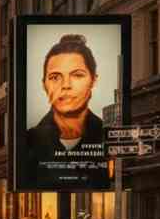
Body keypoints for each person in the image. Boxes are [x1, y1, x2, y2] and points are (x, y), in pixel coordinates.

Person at [21, 34, 107, 189]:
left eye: (77, 75)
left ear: (93, 80)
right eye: (55, 77)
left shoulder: (108, 137)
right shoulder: (27, 142)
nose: (65, 85)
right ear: (44, 84)